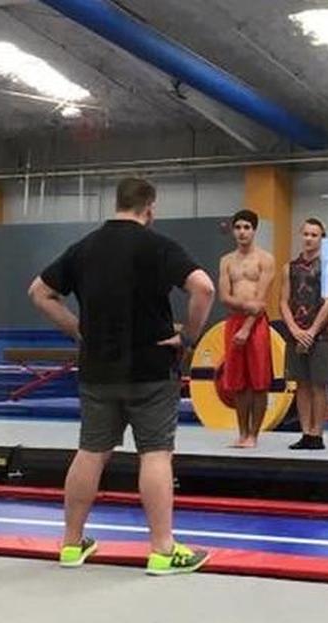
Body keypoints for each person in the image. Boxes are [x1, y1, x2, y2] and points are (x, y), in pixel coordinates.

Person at [28, 177, 215, 575]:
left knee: (91, 451)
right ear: (150, 208)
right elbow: (204, 288)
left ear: (117, 203)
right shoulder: (158, 245)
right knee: (155, 453)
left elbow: (38, 293)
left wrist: (77, 329)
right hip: (150, 368)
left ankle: (71, 544)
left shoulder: (84, 248)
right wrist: (190, 335)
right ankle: (163, 549)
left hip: (98, 369)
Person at [280, 218, 328, 450]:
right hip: (296, 332)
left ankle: (317, 433)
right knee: (301, 384)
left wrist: (312, 331)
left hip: (320, 334)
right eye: (306, 234)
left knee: (319, 384)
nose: (309, 238)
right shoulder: (289, 268)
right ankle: (305, 432)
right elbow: (283, 301)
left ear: (321, 238)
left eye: (314, 235)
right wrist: (294, 330)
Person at [217, 209, 275, 448]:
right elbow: (223, 296)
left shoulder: (265, 259)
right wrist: (243, 306)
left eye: (246, 228)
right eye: (238, 227)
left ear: (254, 230)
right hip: (234, 321)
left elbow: (261, 299)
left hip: (257, 323)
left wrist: (248, 327)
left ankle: (254, 434)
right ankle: (242, 433)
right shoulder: (226, 261)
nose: (242, 232)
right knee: (238, 382)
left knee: (258, 381)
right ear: (233, 230)